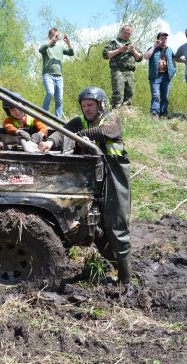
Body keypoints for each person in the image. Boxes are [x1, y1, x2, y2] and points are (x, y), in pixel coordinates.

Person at [39, 87, 131, 284]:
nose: (87, 109)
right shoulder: (79, 122)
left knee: (117, 224)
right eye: (84, 106)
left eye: (90, 105)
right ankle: (113, 265)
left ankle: (126, 280)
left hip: (115, 176)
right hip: (91, 177)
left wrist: (77, 137)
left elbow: (105, 131)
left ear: (100, 105)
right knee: (94, 225)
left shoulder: (111, 119)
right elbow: (62, 132)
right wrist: (50, 142)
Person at [102, 25, 143, 108]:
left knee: (130, 93)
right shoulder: (113, 42)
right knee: (118, 93)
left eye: (129, 33)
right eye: (125, 33)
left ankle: (126, 113)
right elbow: (105, 55)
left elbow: (139, 58)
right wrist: (119, 50)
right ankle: (115, 112)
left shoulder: (132, 44)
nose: (127, 35)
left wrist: (134, 50)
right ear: (121, 31)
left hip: (130, 71)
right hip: (118, 70)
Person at [39, 28, 74, 118]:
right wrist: (51, 42)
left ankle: (58, 119)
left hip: (59, 77)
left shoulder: (60, 49)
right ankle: (44, 114)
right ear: (49, 36)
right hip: (48, 75)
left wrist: (68, 43)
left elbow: (71, 53)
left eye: (57, 36)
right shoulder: (46, 47)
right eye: (53, 35)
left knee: (59, 99)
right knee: (50, 93)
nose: (55, 37)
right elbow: (40, 50)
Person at [143, 32, 177, 118]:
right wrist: (154, 46)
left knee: (165, 97)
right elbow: (145, 57)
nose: (164, 40)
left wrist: (173, 71)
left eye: (165, 39)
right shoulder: (152, 48)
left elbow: (173, 61)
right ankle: (155, 114)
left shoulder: (169, 50)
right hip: (155, 77)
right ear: (158, 39)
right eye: (162, 38)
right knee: (155, 96)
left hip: (166, 77)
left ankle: (163, 114)